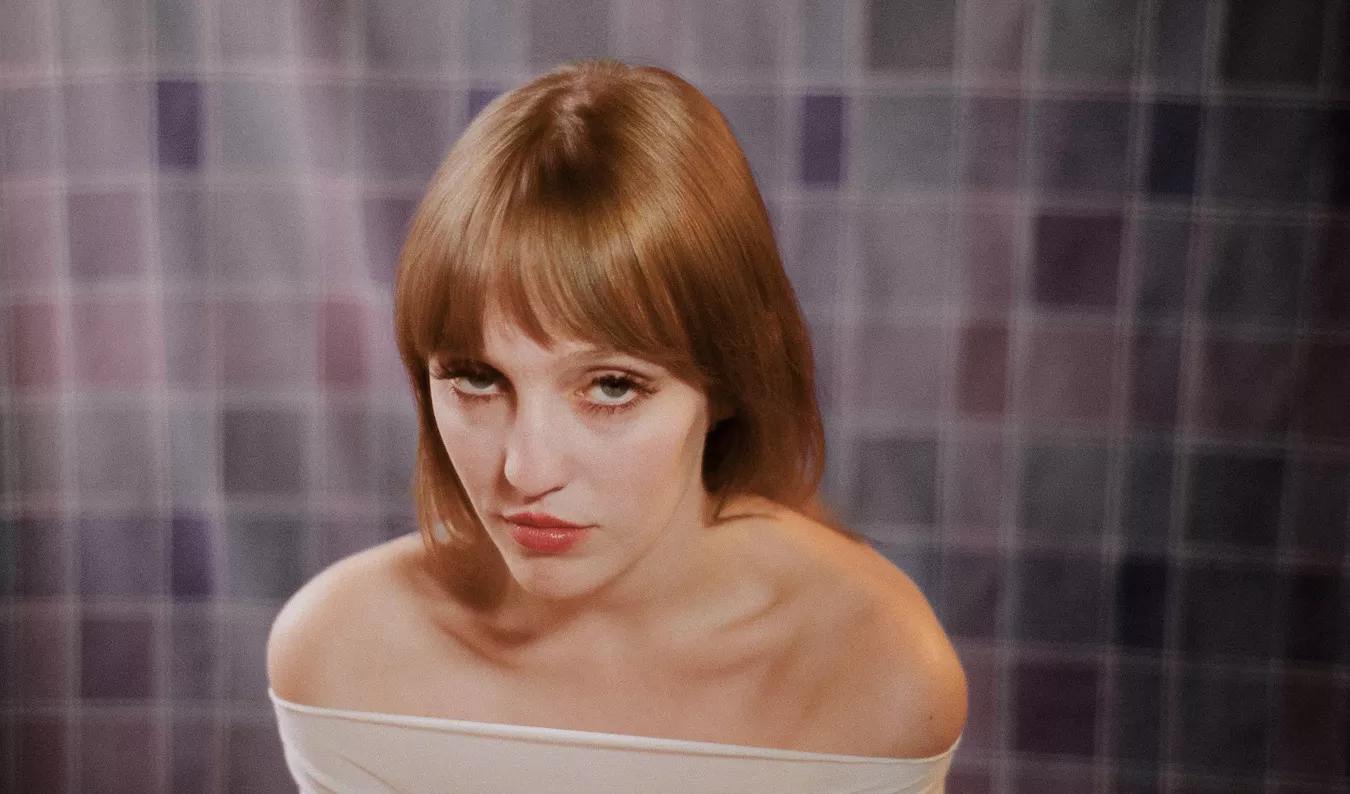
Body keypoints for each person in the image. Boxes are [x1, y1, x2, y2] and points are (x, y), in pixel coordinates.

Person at [267, 59, 967, 793]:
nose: (526, 470)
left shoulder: (876, 671)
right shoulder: (340, 657)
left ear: (729, 381)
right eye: (477, 378)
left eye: (611, 387)